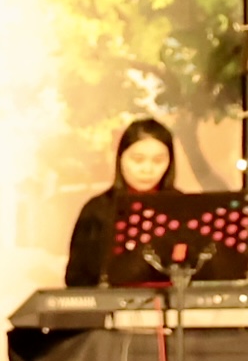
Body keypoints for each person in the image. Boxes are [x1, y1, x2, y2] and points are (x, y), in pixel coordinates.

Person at [65, 117, 181, 288]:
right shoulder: (97, 209)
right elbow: (76, 278)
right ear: (121, 158)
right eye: (137, 159)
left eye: (158, 161)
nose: (147, 169)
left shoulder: (182, 207)